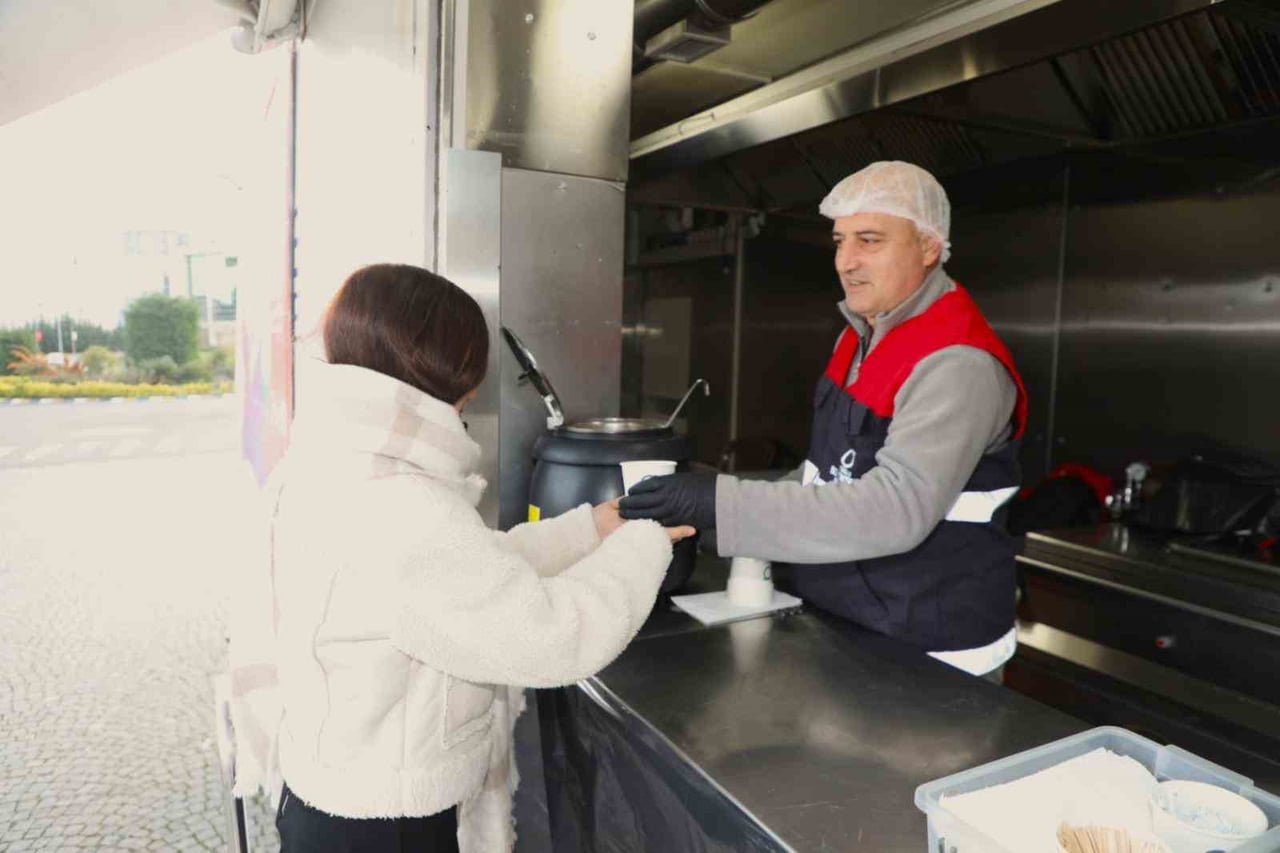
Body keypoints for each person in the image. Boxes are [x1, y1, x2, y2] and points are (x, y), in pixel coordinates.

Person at [261, 264, 693, 853]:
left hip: (332, 794)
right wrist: (642, 545)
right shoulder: (400, 502)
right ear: (441, 367)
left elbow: (469, 569)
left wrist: (593, 528)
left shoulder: (338, 463)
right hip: (382, 829)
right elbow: (550, 637)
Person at [620, 161, 1027, 680]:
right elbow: (827, 476)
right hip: (850, 621)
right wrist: (716, 508)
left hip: (931, 648)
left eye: (870, 240)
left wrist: (721, 501)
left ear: (928, 247)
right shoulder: (858, 338)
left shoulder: (956, 363)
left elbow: (894, 509)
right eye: (840, 240)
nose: (846, 261)